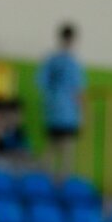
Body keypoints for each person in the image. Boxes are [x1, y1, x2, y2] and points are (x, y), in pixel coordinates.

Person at [36, 23, 84, 181]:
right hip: (66, 112)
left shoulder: (51, 60)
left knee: (51, 146)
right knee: (66, 148)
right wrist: (81, 113)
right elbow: (77, 91)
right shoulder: (71, 63)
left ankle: (44, 179)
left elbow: (41, 83)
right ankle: (61, 180)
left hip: (53, 110)